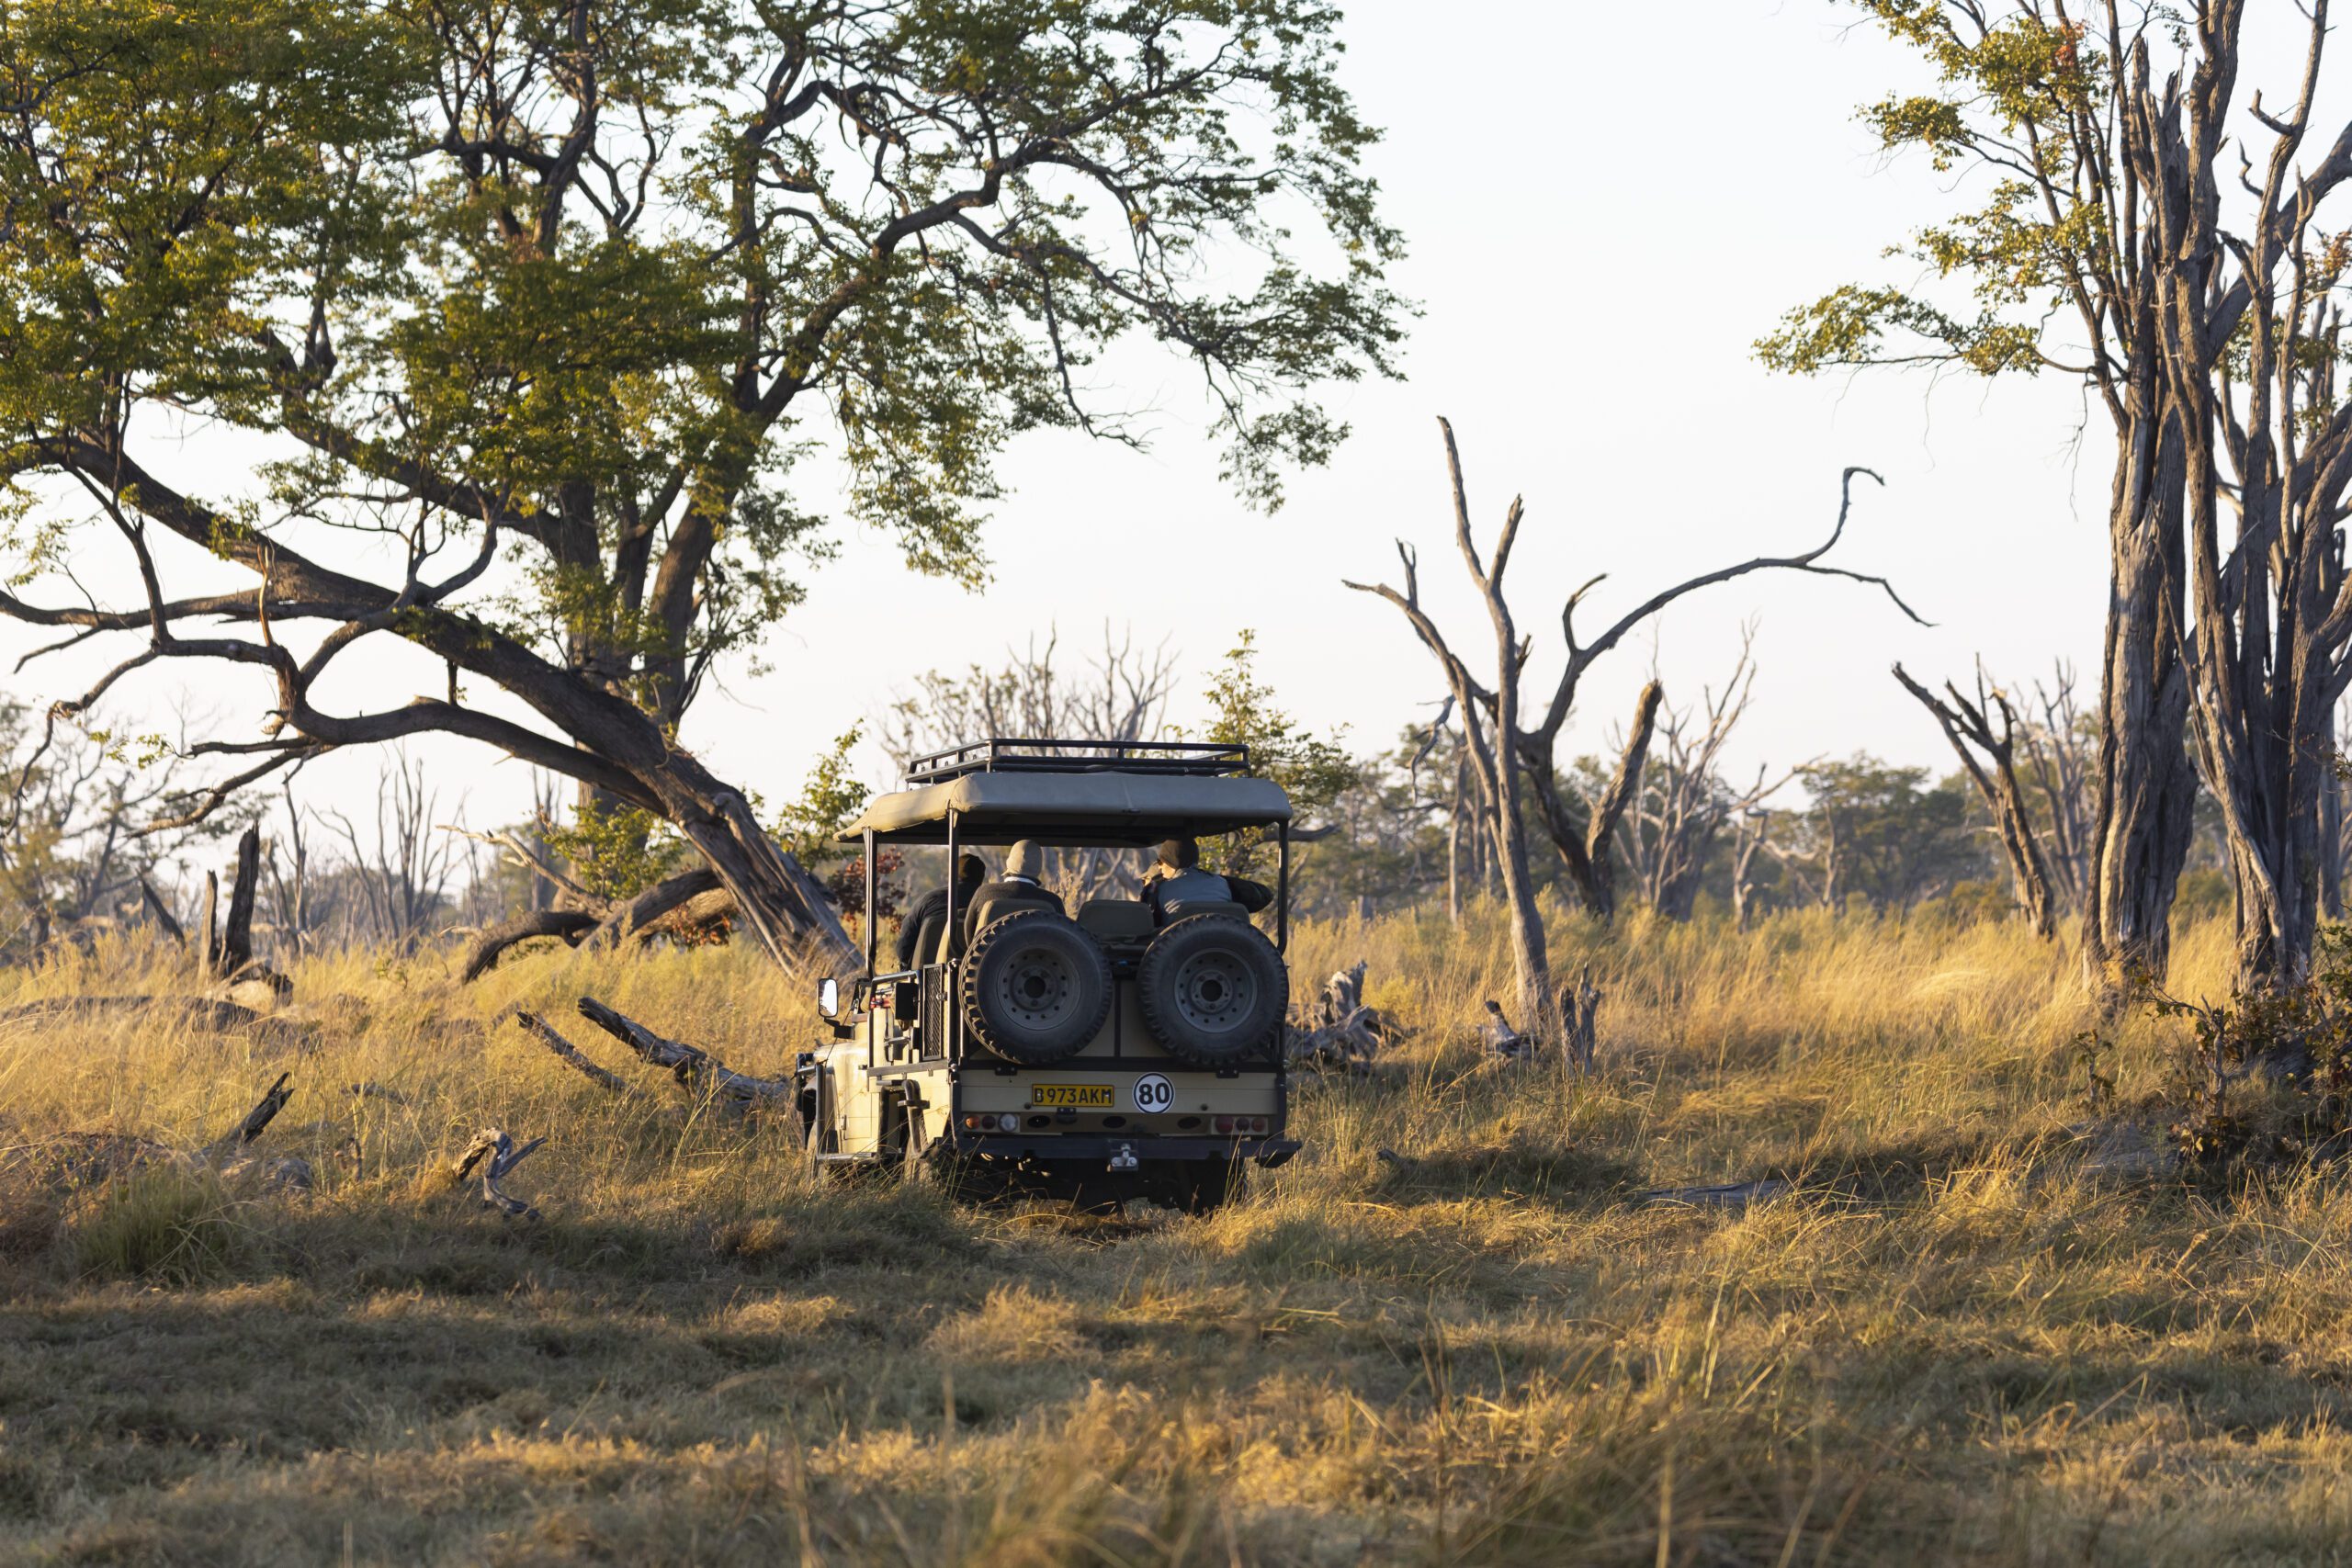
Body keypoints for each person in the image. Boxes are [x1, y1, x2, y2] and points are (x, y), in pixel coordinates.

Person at [1144, 837, 1272, 925]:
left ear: (1170, 862)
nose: (1159, 867)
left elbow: (1148, 925)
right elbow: (1265, 895)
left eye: (1160, 861)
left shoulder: (1161, 889)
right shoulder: (1222, 883)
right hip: (1228, 948)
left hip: (1178, 952)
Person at [961, 839, 1066, 942]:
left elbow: (969, 935)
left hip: (990, 953)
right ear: (1039, 867)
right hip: (1040, 954)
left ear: (1009, 862)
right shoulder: (1052, 902)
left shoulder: (984, 893)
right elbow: (1064, 939)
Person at [895, 852, 984, 968]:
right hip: (975, 973)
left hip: (925, 973)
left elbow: (903, 948)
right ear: (981, 877)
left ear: (953, 874)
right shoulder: (986, 902)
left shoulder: (927, 900)